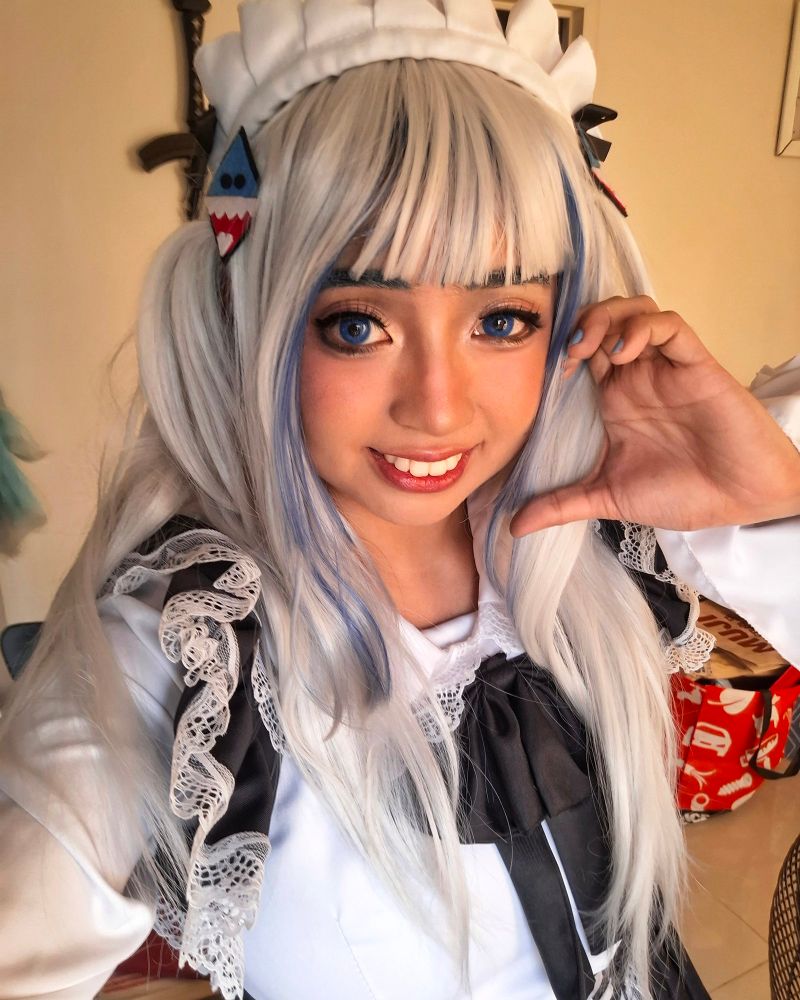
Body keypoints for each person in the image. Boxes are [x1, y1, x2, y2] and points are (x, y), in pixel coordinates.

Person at [1, 1, 798, 998]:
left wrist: (767, 505)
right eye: (355, 325)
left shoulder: (587, 531)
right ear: (254, 318)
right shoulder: (189, 649)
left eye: (501, 319)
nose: (437, 406)